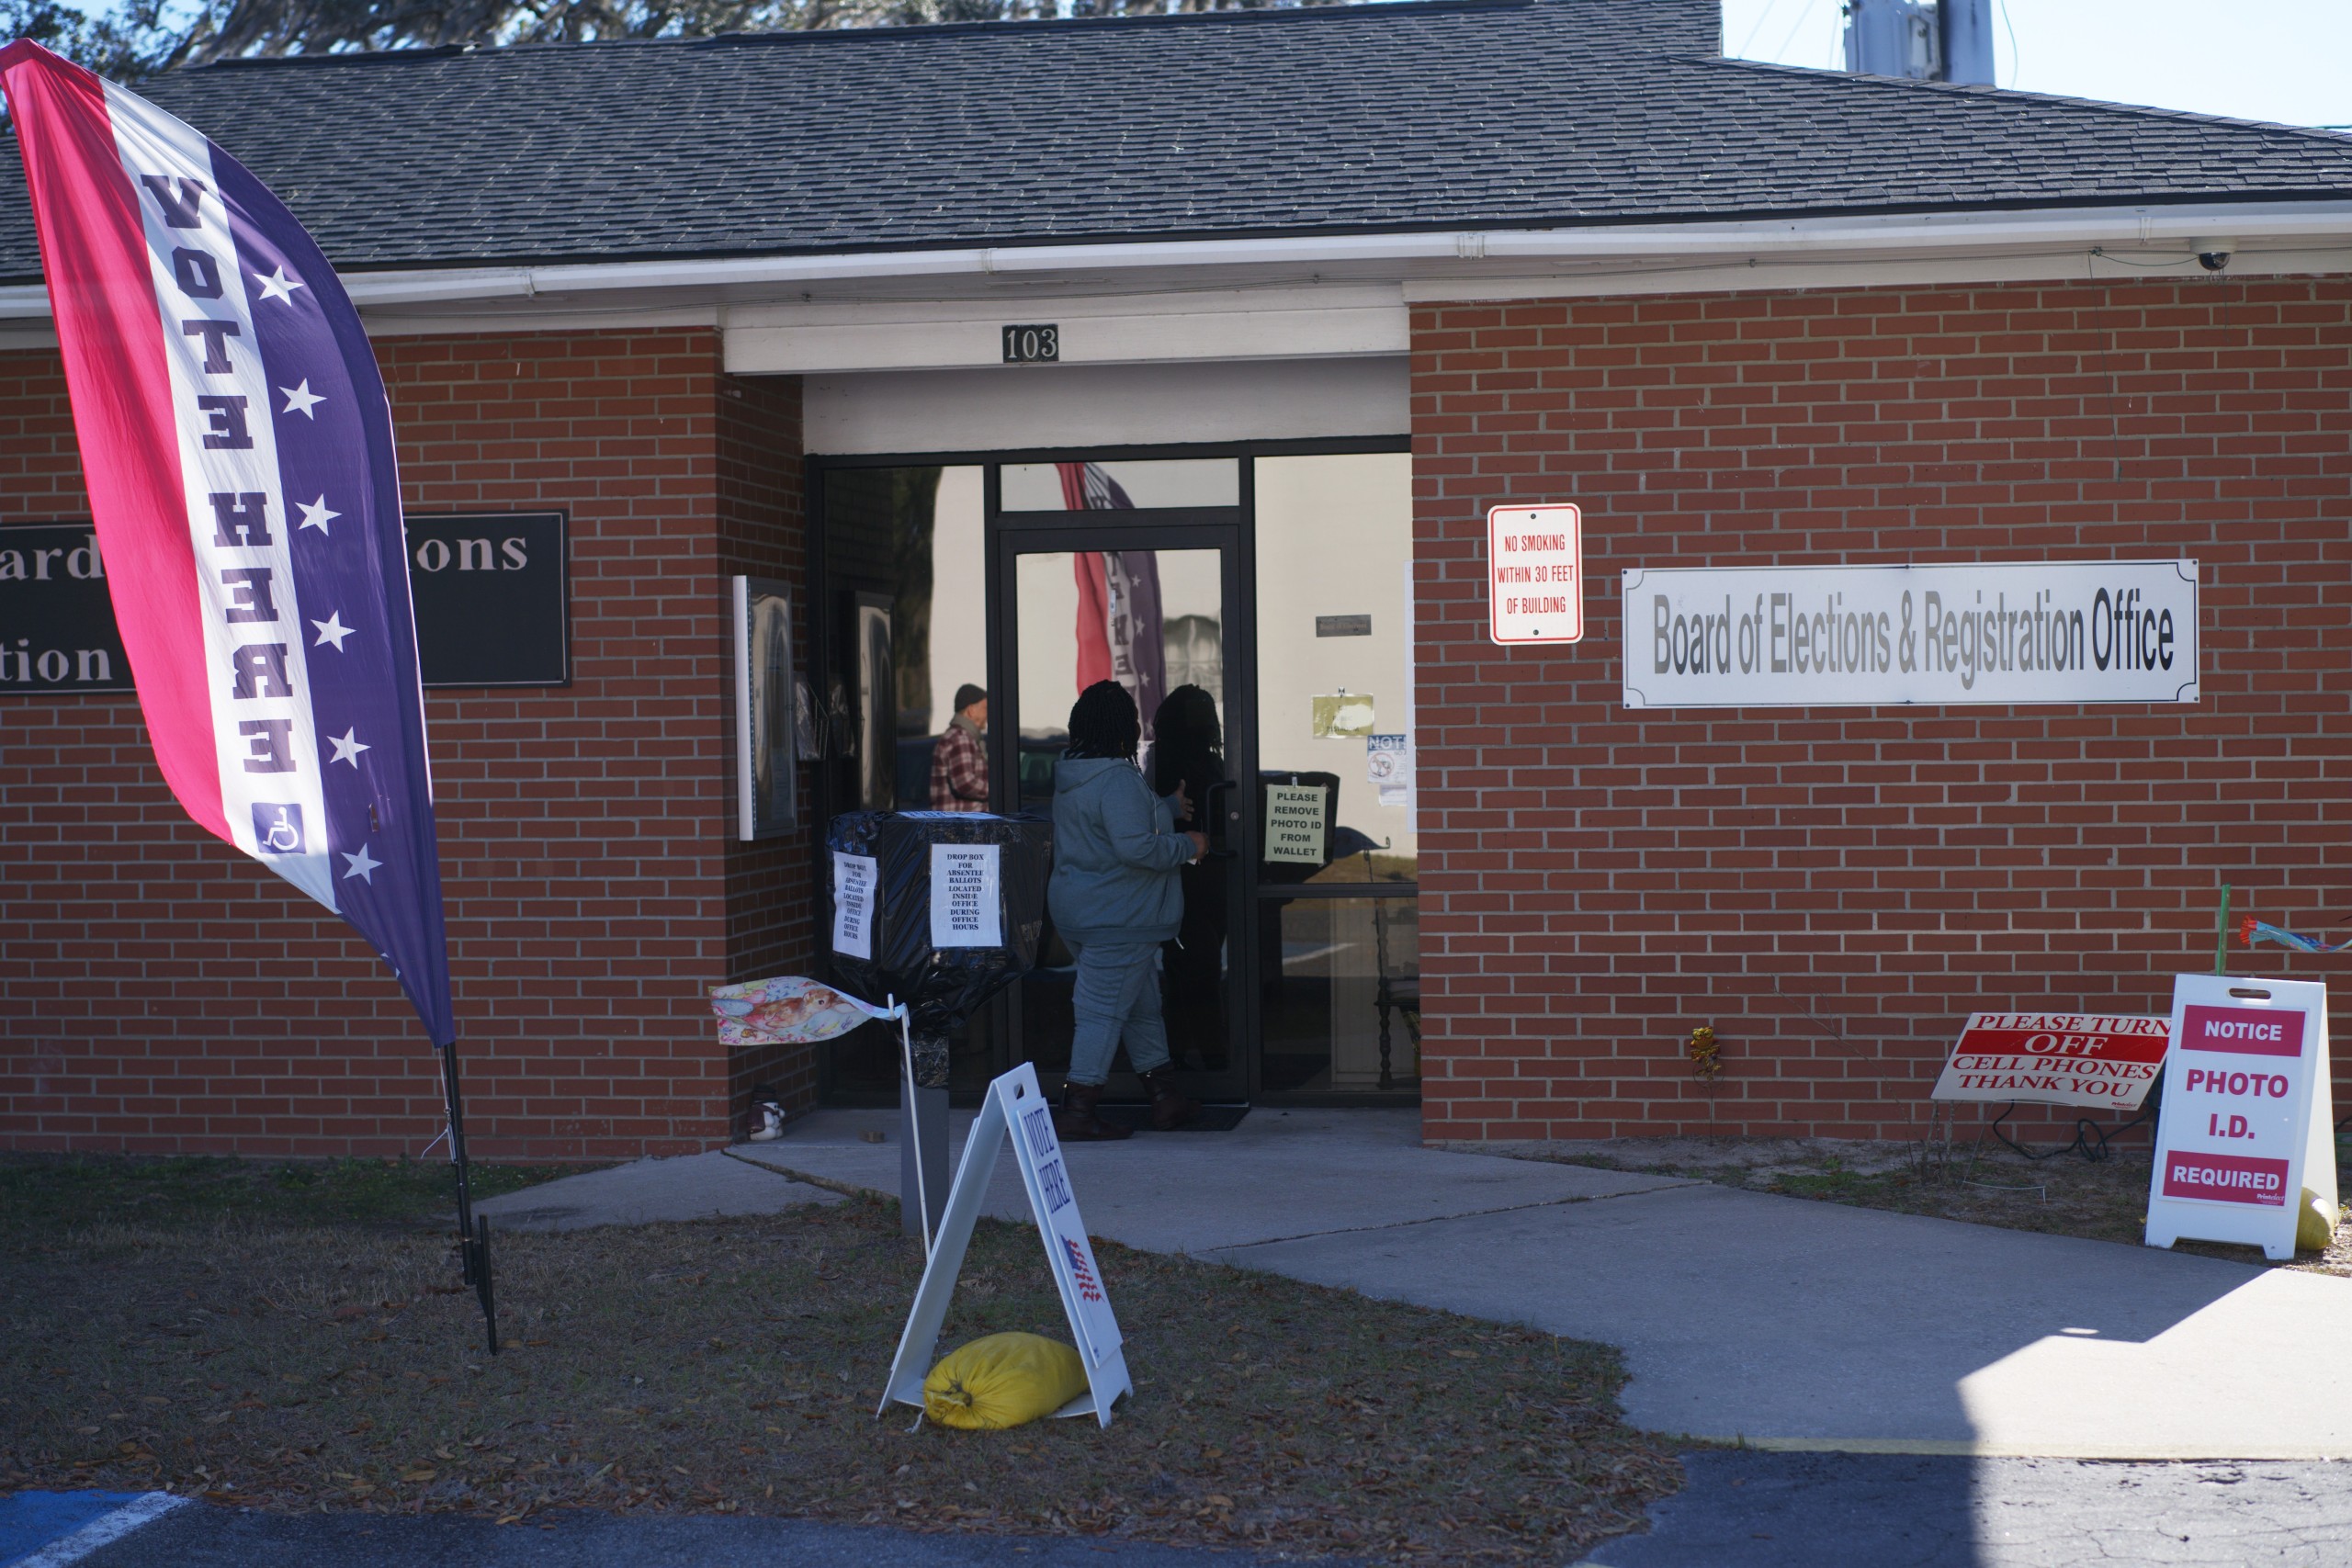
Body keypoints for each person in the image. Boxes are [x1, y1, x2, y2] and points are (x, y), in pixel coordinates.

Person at [1048, 680, 1207, 1140]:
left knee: (1140, 1008)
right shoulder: (1117, 777)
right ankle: (1077, 1112)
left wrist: (1167, 808)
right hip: (1120, 916)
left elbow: (1115, 825)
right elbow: (1136, 847)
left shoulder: (1077, 774)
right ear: (1124, 726)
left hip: (1084, 911)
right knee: (1100, 1013)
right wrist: (1189, 845)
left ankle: (1166, 1100)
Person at [1151, 684, 1230, 1071]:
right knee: (1201, 968)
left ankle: (1180, 1053)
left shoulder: (1164, 761)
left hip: (1185, 876)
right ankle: (1211, 1054)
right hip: (1199, 874)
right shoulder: (1204, 764)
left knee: (1185, 968)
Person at [929, 682, 989, 812]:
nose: (988, 715)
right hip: (961, 827)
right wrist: (998, 791)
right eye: (985, 709)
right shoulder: (961, 738)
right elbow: (965, 783)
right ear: (971, 710)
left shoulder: (960, 736)